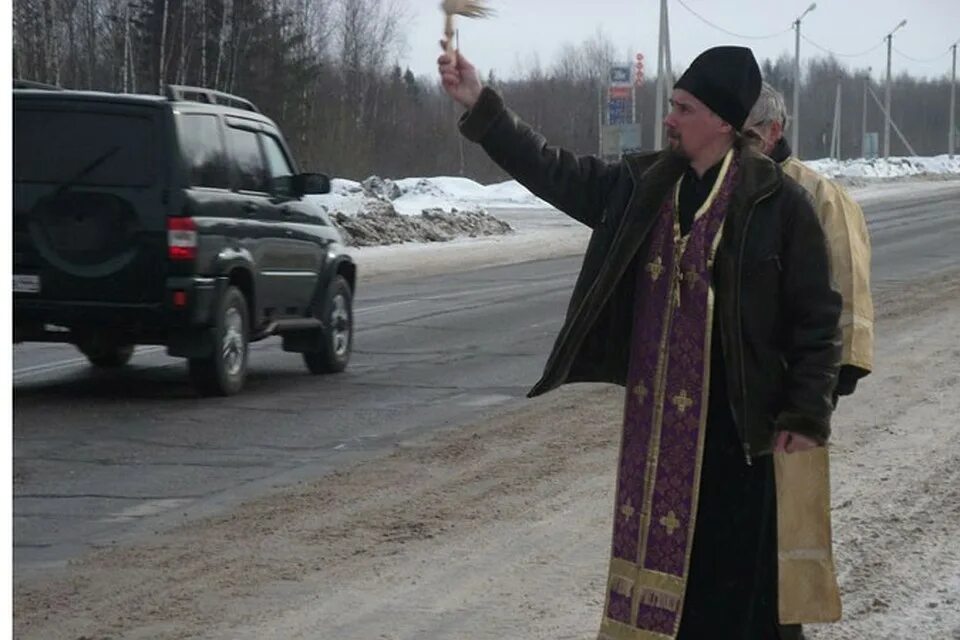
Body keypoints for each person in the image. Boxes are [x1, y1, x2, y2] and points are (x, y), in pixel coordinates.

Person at [438, 44, 842, 640]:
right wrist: (481, 104)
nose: (669, 117)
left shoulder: (777, 205)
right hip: (655, 439)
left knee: (735, 594)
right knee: (657, 597)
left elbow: (818, 319)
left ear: (723, 122)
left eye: (682, 107)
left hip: (741, 438)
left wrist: (807, 413)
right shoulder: (643, 185)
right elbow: (556, 169)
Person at [745, 81, 874, 399]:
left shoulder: (822, 196)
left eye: (744, 135)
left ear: (772, 132)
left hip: (794, 370)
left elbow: (849, 280)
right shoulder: (723, 189)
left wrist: (842, 367)